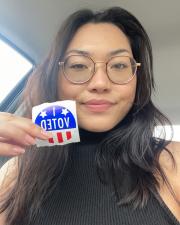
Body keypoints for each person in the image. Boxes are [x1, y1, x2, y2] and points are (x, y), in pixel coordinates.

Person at [0, 6, 179, 225]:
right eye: (78, 65)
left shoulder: (173, 160)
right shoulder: (17, 171)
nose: (100, 83)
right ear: (54, 79)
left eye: (120, 65)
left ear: (137, 79)